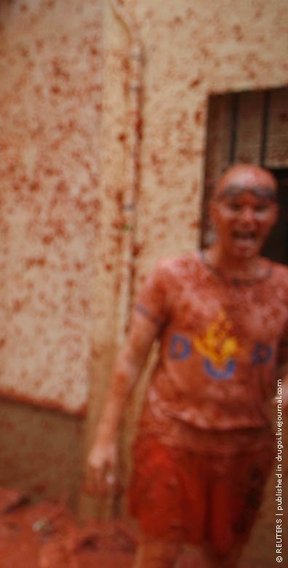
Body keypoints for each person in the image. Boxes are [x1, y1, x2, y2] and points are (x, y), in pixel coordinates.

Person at [86, 163, 288, 567]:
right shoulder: (173, 277)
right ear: (213, 210)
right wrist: (105, 439)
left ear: (275, 216)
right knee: (158, 550)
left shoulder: (284, 288)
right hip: (170, 441)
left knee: (222, 554)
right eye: (235, 206)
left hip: (243, 449)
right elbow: (131, 357)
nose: (247, 218)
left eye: (260, 208)